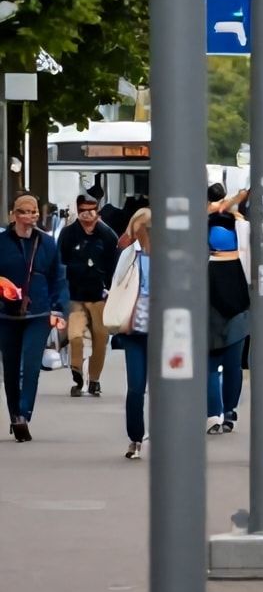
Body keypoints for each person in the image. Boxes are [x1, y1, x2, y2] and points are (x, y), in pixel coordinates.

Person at [0, 195, 68, 441]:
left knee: (30, 365)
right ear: (13, 215)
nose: (29, 217)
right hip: (6, 313)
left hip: (38, 311)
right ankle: (14, 414)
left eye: (33, 212)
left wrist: (59, 309)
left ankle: (24, 414)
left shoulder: (47, 243)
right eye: (23, 212)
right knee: (10, 368)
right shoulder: (2, 242)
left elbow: (58, 277)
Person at [59, 194, 118, 397]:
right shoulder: (68, 234)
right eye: (83, 211)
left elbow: (114, 264)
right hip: (75, 295)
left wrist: (111, 288)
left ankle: (94, 379)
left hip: (100, 296)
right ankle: (77, 375)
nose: (87, 215)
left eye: (91, 211)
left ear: (97, 211)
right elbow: (61, 262)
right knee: (75, 336)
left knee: (100, 339)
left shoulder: (107, 235)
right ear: (78, 210)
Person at [106, 208, 152, 459]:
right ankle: (135, 437)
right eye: (141, 228)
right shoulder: (129, 255)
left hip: (165, 331)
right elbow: (117, 284)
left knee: (168, 388)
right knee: (136, 387)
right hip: (134, 329)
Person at [206, 225, 250, 435]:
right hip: (238, 320)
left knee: (211, 369)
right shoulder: (241, 262)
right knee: (234, 367)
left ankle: (214, 414)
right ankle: (230, 411)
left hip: (211, 320)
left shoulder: (204, 265)